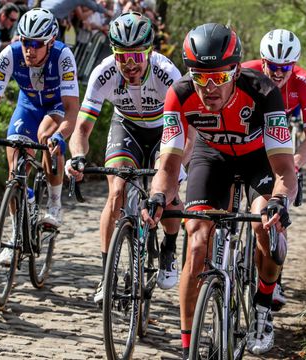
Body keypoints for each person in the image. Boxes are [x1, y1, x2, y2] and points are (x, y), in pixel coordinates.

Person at [142, 23, 297, 357]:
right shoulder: (179, 94)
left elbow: (285, 167)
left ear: (236, 70)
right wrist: (158, 194)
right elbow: (168, 165)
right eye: (200, 77)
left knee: (265, 228)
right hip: (212, 156)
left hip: (260, 158)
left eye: (219, 77)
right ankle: (188, 348)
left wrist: (280, 200)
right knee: (197, 242)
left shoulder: (264, 91)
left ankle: (262, 308)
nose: (209, 87)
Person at [65, 11, 189, 303]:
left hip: (165, 130)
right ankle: (106, 274)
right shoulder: (104, 72)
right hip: (127, 128)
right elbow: (81, 128)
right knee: (117, 191)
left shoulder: (167, 73)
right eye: (122, 56)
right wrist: (79, 157)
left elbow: (185, 125)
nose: (129, 64)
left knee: (168, 195)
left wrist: (175, 167)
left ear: (150, 51)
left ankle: (169, 248)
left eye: (137, 56)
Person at [0, 8, 80, 263]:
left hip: (56, 106)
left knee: (45, 135)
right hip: (28, 105)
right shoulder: (9, 54)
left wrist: (62, 135)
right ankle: (15, 234)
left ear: (50, 41)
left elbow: (73, 108)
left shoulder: (63, 56)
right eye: (25, 41)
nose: (29, 49)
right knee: (14, 173)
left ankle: (54, 204)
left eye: (36, 44)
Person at [242, 29, 306, 309]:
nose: (277, 73)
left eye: (284, 68)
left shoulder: (303, 82)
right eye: (272, 66)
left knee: (271, 214)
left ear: (294, 64)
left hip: (277, 143)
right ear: (262, 61)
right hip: (242, 140)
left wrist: (296, 161)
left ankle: (273, 276)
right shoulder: (245, 72)